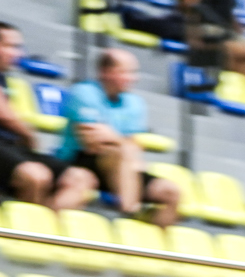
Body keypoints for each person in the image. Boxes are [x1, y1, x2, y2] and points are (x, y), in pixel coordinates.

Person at [0, 22, 95, 210]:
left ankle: (46, 230)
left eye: (18, 47)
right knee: (36, 176)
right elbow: (2, 114)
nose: (19, 54)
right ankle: (30, 232)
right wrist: (29, 135)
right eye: (11, 47)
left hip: (9, 147)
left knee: (81, 178)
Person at [57, 48, 180, 225]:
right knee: (122, 151)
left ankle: (146, 246)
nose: (134, 78)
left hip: (122, 168)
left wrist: (113, 137)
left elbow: (133, 145)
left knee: (171, 193)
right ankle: (130, 212)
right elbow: (91, 143)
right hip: (80, 159)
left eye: (134, 72)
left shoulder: (135, 103)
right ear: (106, 72)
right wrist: (122, 143)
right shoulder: (83, 93)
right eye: (126, 72)